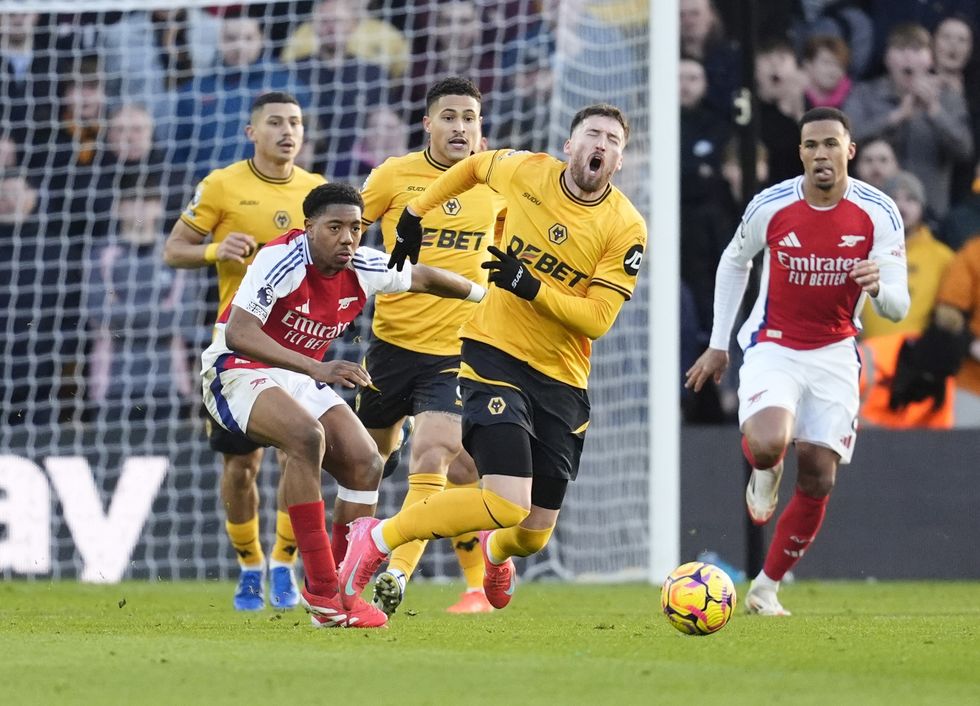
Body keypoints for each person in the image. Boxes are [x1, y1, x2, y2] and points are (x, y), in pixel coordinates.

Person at [337, 103, 647, 613]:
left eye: (613, 141)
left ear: (619, 160)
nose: (601, 145)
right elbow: (474, 166)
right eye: (592, 134)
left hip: (562, 377)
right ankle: (378, 539)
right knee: (503, 498)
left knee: (531, 533)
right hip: (492, 353)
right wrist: (415, 213)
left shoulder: (626, 226)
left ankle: (495, 552)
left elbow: (597, 320)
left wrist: (532, 287)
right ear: (569, 145)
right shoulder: (525, 170)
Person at [200, 181, 489, 629]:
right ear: (309, 227)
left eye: (355, 228)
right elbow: (239, 333)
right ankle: (321, 592)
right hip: (236, 368)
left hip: (297, 374)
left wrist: (488, 297)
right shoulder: (281, 259)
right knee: (305, 437)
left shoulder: (364, 266)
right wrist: (317, 368)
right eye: (334, 227)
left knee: (367, 463)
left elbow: (426, 277)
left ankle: (340, 592)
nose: (347, 238)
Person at [685, 107, 910, 616]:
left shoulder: (879, 212)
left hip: (835, 352)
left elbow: (899, 305)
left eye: (831, 143)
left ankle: (766, 588)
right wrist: (719, 343)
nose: (821, 154)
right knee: (769, 443)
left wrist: (880, 288)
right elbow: (734, 261)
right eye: (811, 145)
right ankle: (766, 468)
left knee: (819, 477)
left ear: (849, 150)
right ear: (801, 153)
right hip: (775, 344)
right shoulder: (772, 204)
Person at [163, 92, 324, 611]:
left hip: (296, 344)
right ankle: (250, 565)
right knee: (241, 466)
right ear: (252, 132)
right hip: (238, 343)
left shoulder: (316, 192)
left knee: (300, 450)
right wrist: (216, 249)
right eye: (275, 122)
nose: (287, 131)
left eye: (295, 122)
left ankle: (283, 563)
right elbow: (173, 249)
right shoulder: (221, 184)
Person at [356, 77, 507, 616]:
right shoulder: (392, 176)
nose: (460, 127)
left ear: (481, 128)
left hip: (458, 350)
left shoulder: (498, 184)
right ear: (427, 124)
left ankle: (397, 573)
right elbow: (344, 232)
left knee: (436, 452)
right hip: (390, 347)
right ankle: (329, 571)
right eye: (449, 116)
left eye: (470, 117)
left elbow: (515, 247)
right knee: (368, 463)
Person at [861, 171, 953, 339]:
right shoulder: (863, 250)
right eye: (894, 198)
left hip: (917, 352)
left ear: (922, 207)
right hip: (867, 350)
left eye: (911, 199)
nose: (901, 206)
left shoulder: (942, 257)